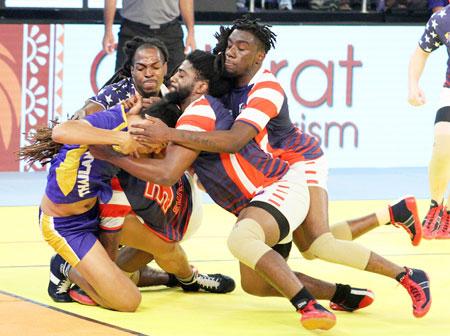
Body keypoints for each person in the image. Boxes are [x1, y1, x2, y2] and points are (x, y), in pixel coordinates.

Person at [132, 16, 431, 318]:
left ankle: (405, 274)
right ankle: (388, 221)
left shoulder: (265, 86)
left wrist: (166, 134)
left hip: (298, 161)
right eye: (229, 46)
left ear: (260, 56)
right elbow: (193, 97)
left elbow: (235, 139)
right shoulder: (224, 86)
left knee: (318, 244)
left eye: (242, 47)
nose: (231, 52)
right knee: (263, 279)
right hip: (267, 175)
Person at [19, 94, 234, 311]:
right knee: (129, 301)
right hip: (66, 226)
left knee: (159, 244)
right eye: (157, 148)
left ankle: (177, 279)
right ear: (150, 125)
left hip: (95, 213)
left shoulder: (134, 140)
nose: (157, 153)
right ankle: (66, 267)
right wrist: (119, 138)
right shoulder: (115, 120)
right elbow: (61, 131)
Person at [408, 5, 450, 240]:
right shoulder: (442, 19)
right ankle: (436, 205)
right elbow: (420, 52)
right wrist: (413, 85)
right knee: (443, 146)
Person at [103, 0, 196, 75]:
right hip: (132, 30)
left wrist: (191, 32)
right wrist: (108, 30)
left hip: (169, 31)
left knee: (178, 79)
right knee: (122, 81)